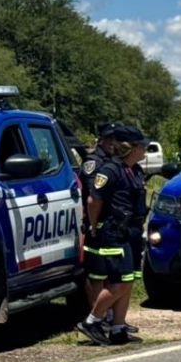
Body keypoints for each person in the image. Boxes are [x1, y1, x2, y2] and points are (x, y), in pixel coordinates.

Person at [76, 126, 150, 346]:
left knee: (128, 280)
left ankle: (118, 328)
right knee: (119, 282)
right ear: (131, 148)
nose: (145, 149)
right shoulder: (110, 170)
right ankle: (92, 321)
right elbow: (93, 200)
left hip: (130, 232)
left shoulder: (133, 170)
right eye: (142, 146)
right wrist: (94, 226)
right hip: (113, 232)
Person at [80, 122, 119, 313]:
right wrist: (93, 225)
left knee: (112, 274)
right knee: (96, 274)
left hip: (113, 224)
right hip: (98, 222)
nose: (113, 142)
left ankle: (111, 316)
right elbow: (94, 194)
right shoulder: (93, 162)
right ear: (101, 140)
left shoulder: (116, 161)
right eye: (109, 138)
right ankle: (97, 317)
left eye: (116, 138)